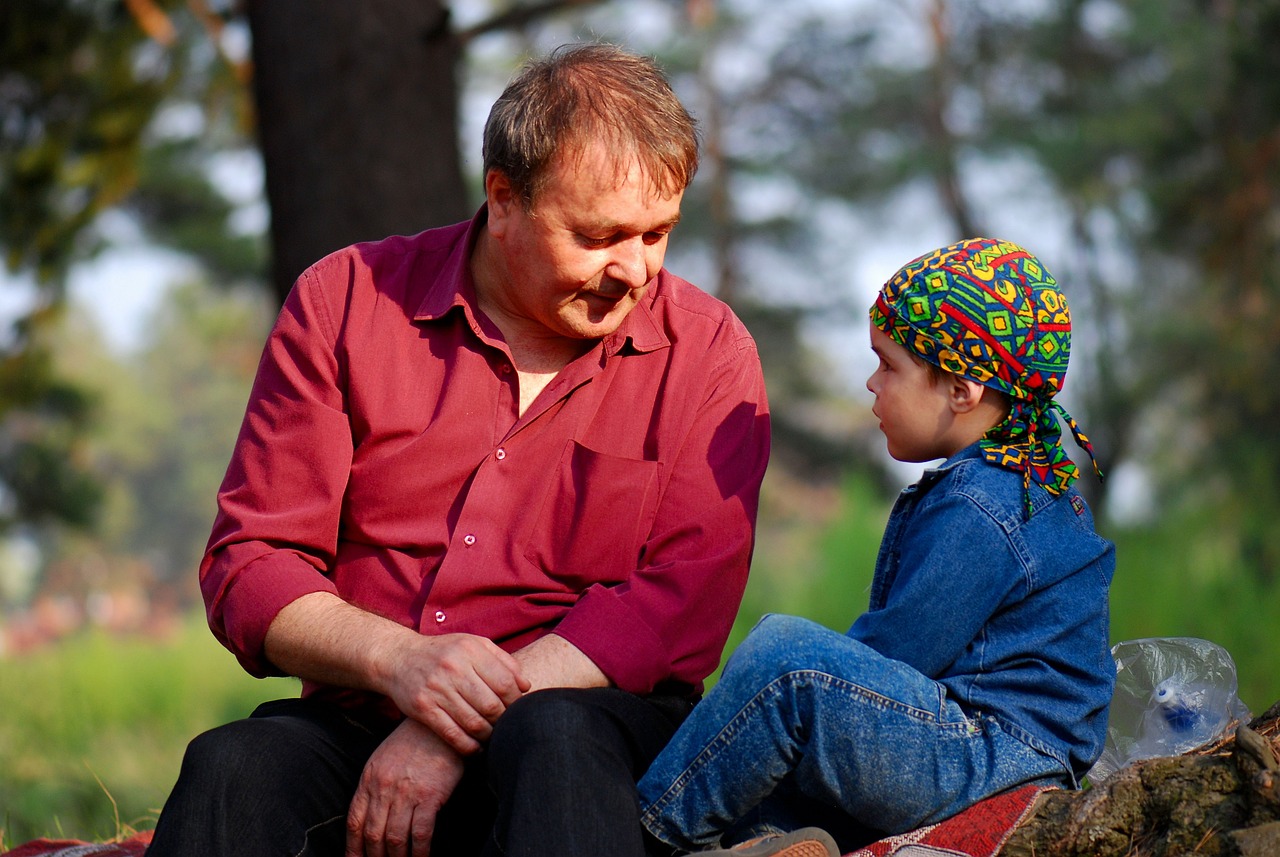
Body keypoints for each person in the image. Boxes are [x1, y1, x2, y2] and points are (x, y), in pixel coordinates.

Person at [146, 43, 770, 857]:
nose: (635, 269)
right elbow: (252, 563)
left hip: (591, 735)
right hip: (362, 716)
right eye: (600, 235)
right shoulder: (342, 301)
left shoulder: (712, 352)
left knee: (554, 739)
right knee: (232, 766)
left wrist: (448, 727)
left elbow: (681, 603)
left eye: (658, 234)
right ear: (503, 198)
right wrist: (403, 662)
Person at [636, 237, 1114, 857]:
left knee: (789, 667)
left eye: (888, 365)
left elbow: (898, 657)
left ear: (962, 390)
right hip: (988, 747)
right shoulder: (1021, 485)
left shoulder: (983, 503)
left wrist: (815, 693)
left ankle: (644, 832)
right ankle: (757, 846)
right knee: (781, 750)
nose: (871, 383)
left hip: (992, 754)